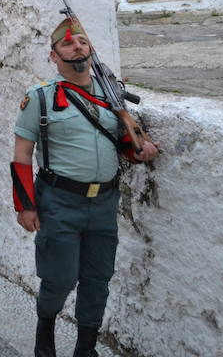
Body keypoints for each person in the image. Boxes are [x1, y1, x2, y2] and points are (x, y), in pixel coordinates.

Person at [11, 18, 158, 357]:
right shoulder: (41, 99)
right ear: (54, 56)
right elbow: (22, 154)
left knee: (98, 277)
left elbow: (124, 144)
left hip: (105, 202)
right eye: (68, 43)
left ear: (90, 49)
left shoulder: (113, 96)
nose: (77, 46)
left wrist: (141, 150)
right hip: (59, 202)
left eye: (82, 41)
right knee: (59, 278)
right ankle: (45, 330)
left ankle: (85, 347)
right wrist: (25, 205)